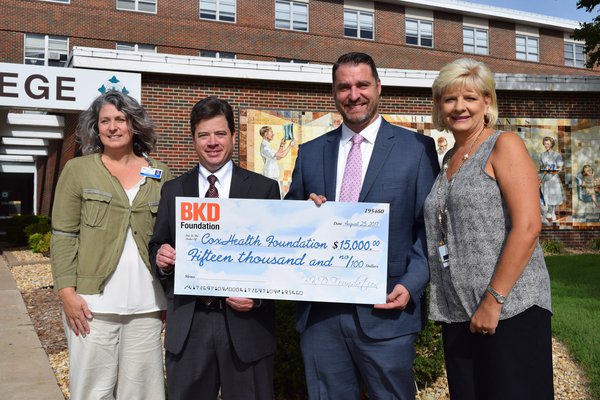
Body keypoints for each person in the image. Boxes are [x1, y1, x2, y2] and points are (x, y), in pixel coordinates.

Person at [285, 52, 439, 399]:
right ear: (334, 93)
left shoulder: (416, 149)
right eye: (344, 87)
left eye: (362, 84)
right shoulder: (310, 153)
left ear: (379, 87)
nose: (353, 94)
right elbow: (288, 224)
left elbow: (428, 228)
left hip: (386, 311)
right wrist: (302, 215)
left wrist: (412, 284)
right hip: (321, 317)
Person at [426, 58, 553, 399]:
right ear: (439, 106)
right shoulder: (450, 157)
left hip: (509, 309)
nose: (459, 107)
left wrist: (493, 301)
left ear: (487, 102)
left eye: (469, 97)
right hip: (458, 312)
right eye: (449, 99)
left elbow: (527, 227)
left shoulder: (503, 144)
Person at [149, 96, 279, 400]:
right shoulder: (174, 190)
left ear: (233, 137)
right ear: (194, 140)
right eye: (204, 135)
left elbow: (278, 261)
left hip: (247, 326)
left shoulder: (263, 190)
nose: (212, 142)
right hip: (190, 325)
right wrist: (161, 257)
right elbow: (157, 243)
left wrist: (257, 300)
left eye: (220, 134)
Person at [51, 90, 172, 400]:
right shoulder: (78, 170)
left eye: (121, 119)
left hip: (148, 305)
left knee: (144, 392)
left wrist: (170, 296)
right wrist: (67, 293)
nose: (113, 127)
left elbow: (172, 238)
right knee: (93, 391)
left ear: (134, 125)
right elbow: (64, 235)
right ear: (96, 128)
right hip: (92, 306)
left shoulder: (160, 174)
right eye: (105, 121)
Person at [259, 125, 294, 191]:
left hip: (272, 175)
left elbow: (277, 157)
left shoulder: (267, 145)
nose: (273, 134)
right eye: (271, 132)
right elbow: (282, 155)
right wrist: (290, 146)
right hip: (269, 176)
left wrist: (282, 145)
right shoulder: (265, 147)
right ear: (266, 134)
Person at [538, 136, 564, 222]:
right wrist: (541, 175)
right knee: (546, 195)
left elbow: (560, 167)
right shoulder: (542, 155)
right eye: (545, 144)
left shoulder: (557, 155)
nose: (546, 145)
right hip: (545, 177)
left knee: (553, 196)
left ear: (552, 144)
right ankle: (549, 212)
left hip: (553, 178)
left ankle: (552, 212)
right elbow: (541, 167)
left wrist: (554, 171)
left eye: (548, 144)